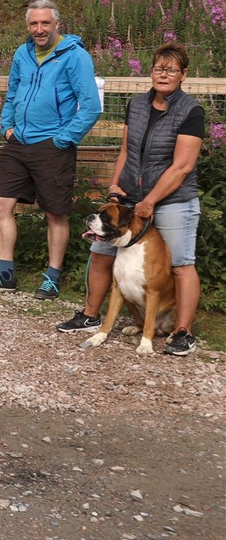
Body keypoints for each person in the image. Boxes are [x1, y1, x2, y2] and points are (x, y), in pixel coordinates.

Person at [58, 45, 203, 356]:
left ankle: (182, 332)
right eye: (158, 69)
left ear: (183, 75)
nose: (164, 74)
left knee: (180, 264)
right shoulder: (135, 104)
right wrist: (115, 184)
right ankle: (90, 315)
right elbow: (126, 151)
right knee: (101, 251)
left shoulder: (191, 111)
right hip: (132, 197)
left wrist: (150, 201)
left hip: (174, 198)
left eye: (172, 70)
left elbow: (182, 166)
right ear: (150, 72)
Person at [0, 0, 101, 296]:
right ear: (27, 26)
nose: (40, 29)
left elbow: (91, 107)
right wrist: (7, 126)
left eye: (45, 23)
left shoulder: (75, 57)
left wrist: (63, 138)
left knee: (55, 212)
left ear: (57, 24)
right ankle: (5, 272)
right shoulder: (23, 53)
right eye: (34, 23)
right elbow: (14, 91)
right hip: (19, 141)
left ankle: (52, 276)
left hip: (53, 144)